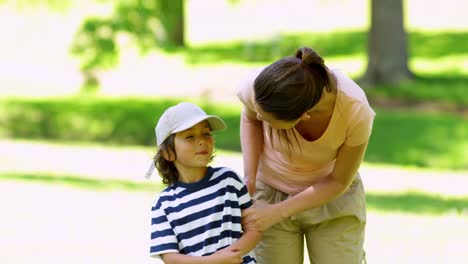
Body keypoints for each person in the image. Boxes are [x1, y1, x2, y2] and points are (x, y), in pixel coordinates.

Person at [237, 46, 375, 264]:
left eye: (269, 120)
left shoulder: (355, 109)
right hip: (270, 193)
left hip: (332, 198)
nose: (262, 120)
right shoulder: (258, 86)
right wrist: (250, 177)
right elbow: (250, 118)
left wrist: (277, 212)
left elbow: (339, 181)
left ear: (303, 116)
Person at [147, 102, 261, 264]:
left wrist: (230, 255)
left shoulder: (229, 180)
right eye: (189, 137)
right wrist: (214, 261)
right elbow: (170, 257)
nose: (201, 141)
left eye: (206, 134)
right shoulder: (164, 204)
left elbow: (254, 229)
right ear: (168, 153)